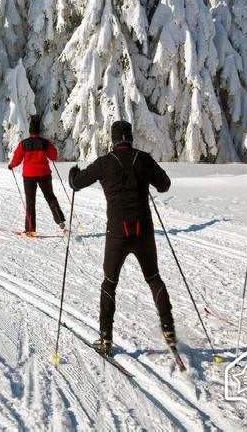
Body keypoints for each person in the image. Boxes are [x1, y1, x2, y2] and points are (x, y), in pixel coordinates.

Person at [68, 120, 173, 356]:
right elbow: (165, 185)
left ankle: (105, 338)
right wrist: (147, 177)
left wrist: (73, 172)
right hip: (143, 231)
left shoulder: (105, 162)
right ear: (131, 138)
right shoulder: (143, 159)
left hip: (117, 232)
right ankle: (168, 330)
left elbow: (76, 183)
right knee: (153, 278)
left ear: (113, 139)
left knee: (109, 282)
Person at [8, 115, 66, 237]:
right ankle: (60, 220)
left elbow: (17, 159)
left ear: (30, 131)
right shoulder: (45, 143)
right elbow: (54, 156)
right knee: (50, 197)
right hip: (44, 174)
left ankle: (30, 230)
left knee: (30, 202)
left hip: (29, 176)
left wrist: (11, 165)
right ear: (39, 131)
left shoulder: (24, 143)